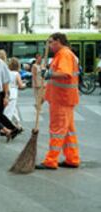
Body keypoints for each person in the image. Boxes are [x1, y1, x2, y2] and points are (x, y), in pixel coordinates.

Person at [36, 33, 80, 170]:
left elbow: (65, 73)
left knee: (57, 130)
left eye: (51, 42)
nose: (49, 45)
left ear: (58, 41)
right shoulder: (63, 54)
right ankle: (72, 158)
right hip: (64, 98)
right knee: (68, 131)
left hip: (61, 99)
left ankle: (51, 160)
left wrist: (49, 74)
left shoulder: (64, 54)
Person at [1, 57, 24, 141]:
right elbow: (21, 85)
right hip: (13, 93)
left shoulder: (7, 72)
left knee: (13, 110)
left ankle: (18, 125)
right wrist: (24, 84)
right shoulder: (16, 74)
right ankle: (7, 128)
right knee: (9, 111)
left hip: (7, 91)